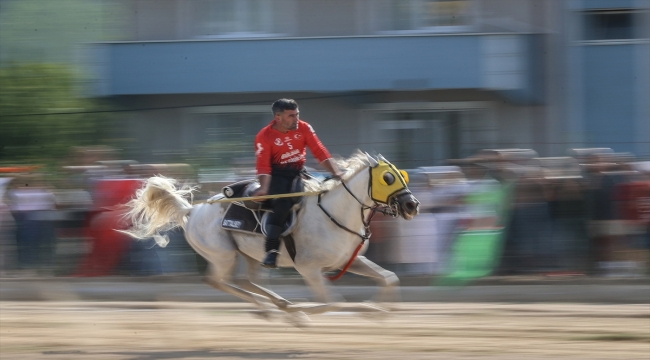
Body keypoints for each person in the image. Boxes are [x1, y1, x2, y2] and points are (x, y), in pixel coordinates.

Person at [253, 99, 343, 268]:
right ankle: (271, 251)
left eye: (297, 114)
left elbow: (319, 150)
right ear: (278, 118)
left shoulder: (304, 127)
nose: (296, 119)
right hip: (276, 176)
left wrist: (336, 172)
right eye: (291, 116)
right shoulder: (264, 136)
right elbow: (263, 166)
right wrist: (264, 188)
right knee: (282, 204)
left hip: (299, 172)